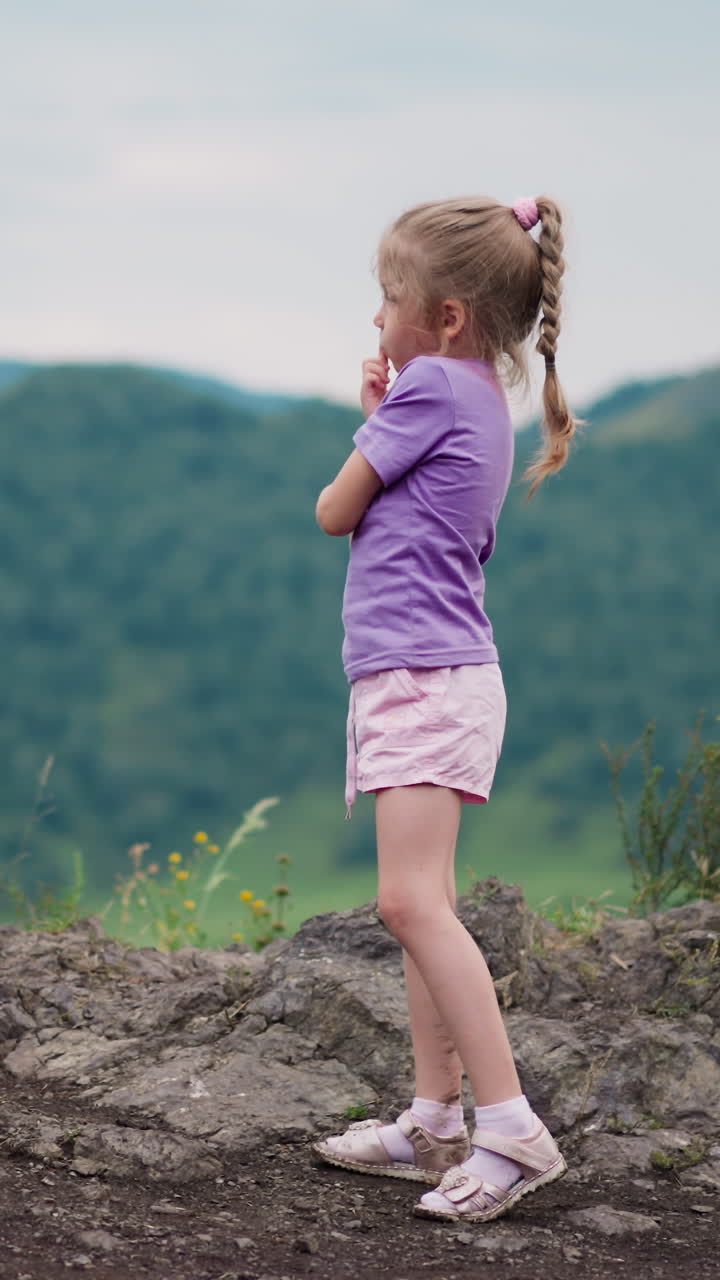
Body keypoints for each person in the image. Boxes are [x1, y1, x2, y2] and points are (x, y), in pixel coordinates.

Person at [312, 195, 577, 1223]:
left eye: (389, 298)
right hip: (433, 675)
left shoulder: (426, 387)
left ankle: (508, 1123)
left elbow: (335, 508)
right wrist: (389, 404)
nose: (378, 317)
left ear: (450, 315)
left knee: (408, 903)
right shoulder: (474, 395)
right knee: (425, 902)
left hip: (425, 676)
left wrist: (374, 410)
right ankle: (433, 1115)